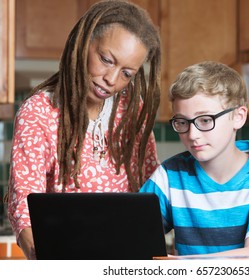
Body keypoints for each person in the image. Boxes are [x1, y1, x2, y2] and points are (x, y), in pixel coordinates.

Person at [7, 0, 161, 260]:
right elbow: (24, 209)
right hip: (66, 262)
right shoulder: (39, 112)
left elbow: (154, 189)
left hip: (127, 262)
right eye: (106, 60)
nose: (112, 80)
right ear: (83, 43)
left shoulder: (132, 108)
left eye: (127, 73)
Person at [140, 61, 249, 258]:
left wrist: (178, 264)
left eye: (205, 120)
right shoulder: (170, 174)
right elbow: (129, 236)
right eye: (182, 122)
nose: (192, 134)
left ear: (238, 117)